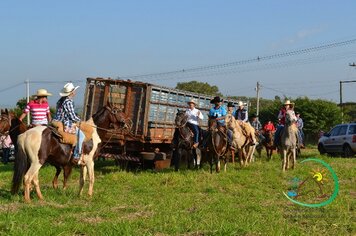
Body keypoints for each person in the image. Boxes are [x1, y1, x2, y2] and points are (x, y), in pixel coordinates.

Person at [53, 82, 85, 165]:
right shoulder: (68, 102)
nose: (75, 92)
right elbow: (72, 116)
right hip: (66, 123)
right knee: (81, 136)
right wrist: (81, 121)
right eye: (74, 90)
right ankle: (76, 156)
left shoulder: (60, 101)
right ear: (71, 92)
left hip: (56, 120)